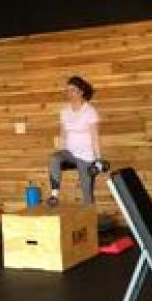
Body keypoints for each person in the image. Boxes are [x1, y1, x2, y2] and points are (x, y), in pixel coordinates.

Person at [48, 75, 102, 205]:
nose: (69, 93)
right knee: (54, 158)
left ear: (81, 92)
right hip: (70, 154)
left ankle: (89, 211)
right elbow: (63, 134)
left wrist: (98, 159)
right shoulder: (64, 112)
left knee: (87, 196)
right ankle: (54, 195)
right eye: (67, 90)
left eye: (72, 90)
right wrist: (61, 152)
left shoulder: (90, 111)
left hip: (86, 156)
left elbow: (95, 137)